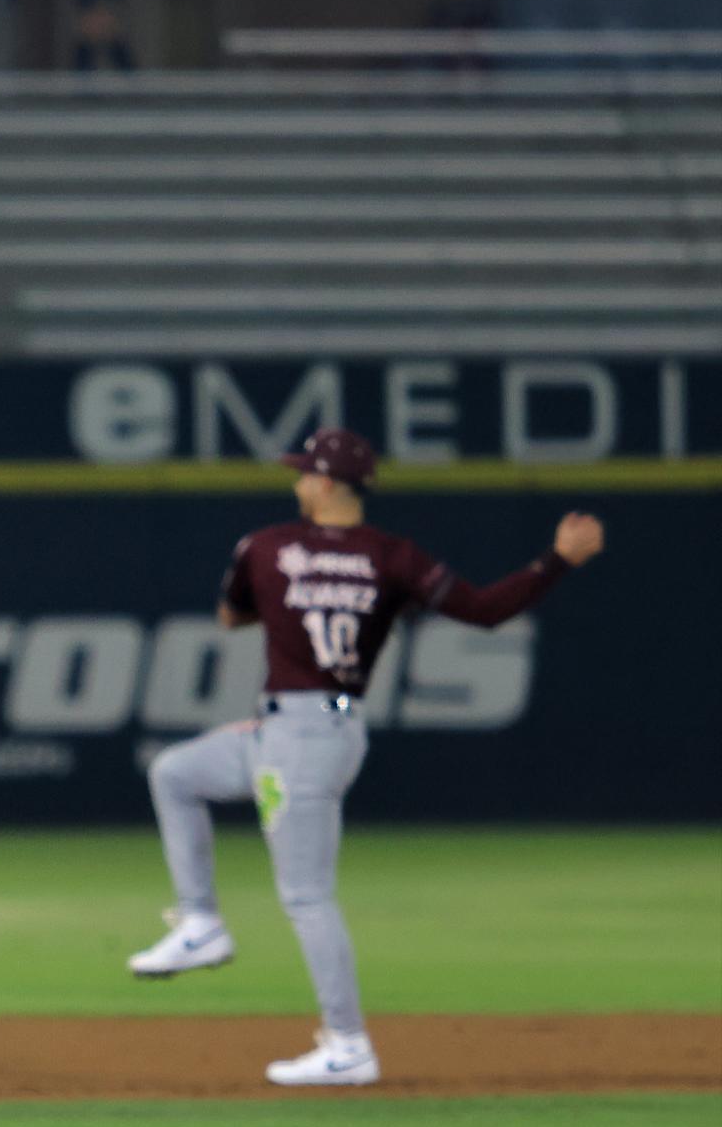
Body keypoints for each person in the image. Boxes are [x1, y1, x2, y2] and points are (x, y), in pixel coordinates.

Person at [126, 428, 606, 1087]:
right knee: (176, 773)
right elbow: (484, 610)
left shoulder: (267, 546)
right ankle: (201, 921)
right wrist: (557, 560)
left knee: (306, 895)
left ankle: (348, 1043)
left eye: (303, 473)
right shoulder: (393, 557)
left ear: (325, 482)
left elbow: (231, 616)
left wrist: (293, 602)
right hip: (304, 729)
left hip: (301, 737)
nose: (298, 483)